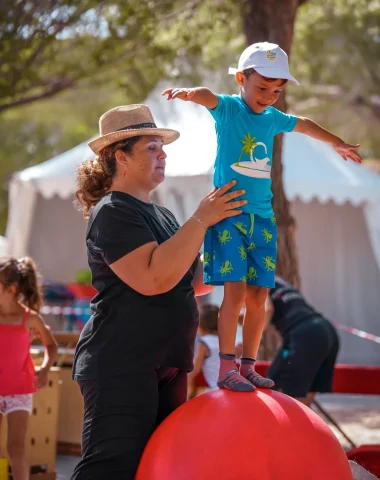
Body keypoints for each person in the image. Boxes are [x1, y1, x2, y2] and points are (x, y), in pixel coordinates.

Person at [162, 41, 362, 393]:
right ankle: (226, 367)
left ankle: (249, 365)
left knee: (258, 297)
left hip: (263, 220)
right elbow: (209, 96)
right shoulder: (229, 110)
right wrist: (189, 94)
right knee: (235, 293)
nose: (268, 96)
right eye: (261, 88)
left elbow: (305, 123)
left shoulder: (273, 119)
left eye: (276, 90)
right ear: (241, 78)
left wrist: (338, 142)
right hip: (230, 215)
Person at [71, 104, 247, 479]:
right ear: (121, 156)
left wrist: (234, 245)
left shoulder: (163, 216)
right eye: (152, 147)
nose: (163, 153)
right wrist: (201, 218)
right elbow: (154, 279)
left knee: (156, 467)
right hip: (122, 363)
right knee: (111, 469)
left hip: (166, 362)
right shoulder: (112, 211)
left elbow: (194, 280)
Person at [0, 257, 58, 480]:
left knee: (16, 448)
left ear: (10, 289)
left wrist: (44, 369)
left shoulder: (30, 319)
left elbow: (51, 345)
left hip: (19, 391)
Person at [266, 276, 340, 407]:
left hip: (304, 333)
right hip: (326, 331)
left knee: (276, 385)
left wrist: (247, 339)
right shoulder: (280, 282)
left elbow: (266, 309)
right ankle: (303, 425)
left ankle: (287, 425)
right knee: (305, 392)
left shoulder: (256, 278)